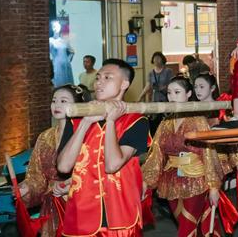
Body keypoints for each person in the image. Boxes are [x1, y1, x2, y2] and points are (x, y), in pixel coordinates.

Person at [56, 58, 150, 236]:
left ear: (124, 84)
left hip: (120, 213)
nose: (99, 82)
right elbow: (63, 166)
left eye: (107, 77)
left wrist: (111, 121)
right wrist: (85, 122)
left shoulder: (136, 121)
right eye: (98, 77)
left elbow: (112, 165)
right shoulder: (77, 119)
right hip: (82, 211)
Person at [142, 75, 225, 236]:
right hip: (170, 179)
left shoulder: (198, 120)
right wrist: (147, 180)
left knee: (187, 227)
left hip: (196, 179)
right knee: (185, 224)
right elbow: (157, 154)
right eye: (169, 93)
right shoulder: (165, 123)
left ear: (188, 94)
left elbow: (209, 154)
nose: (172, 97)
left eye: (177, 92)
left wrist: (214, 186)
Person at [19, 84, 87, 237]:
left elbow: (94, 172)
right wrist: (26, 188)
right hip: (52, 206)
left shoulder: (86, 134)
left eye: (63, 101)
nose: (56, 105)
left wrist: (70, 185)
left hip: (80, 204)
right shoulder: (45, 137)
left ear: (78, 106)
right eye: (54, 100)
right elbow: (37, 176)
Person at [140, 51, 174, 134]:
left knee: (167, 122)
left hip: (166, 99)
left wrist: (164, 88)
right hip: (155, 99)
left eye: (158, 58)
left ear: (162, 60)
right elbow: (148, 86)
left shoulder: (168, 71)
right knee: (154, 122)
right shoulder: (151, 73)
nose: (156, 60)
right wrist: (140, 97)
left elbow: (172, 83)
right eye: (155, 58)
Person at [50, 19, 74, 86]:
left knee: (67, 83)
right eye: (54, 26)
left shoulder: (63, 41)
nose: (56, 28)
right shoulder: (51, 40)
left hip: (66, 65)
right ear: (52, 28)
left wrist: (68, 60)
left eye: (57, 26)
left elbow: (72, 51)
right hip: (57, 65)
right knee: (58, 83)